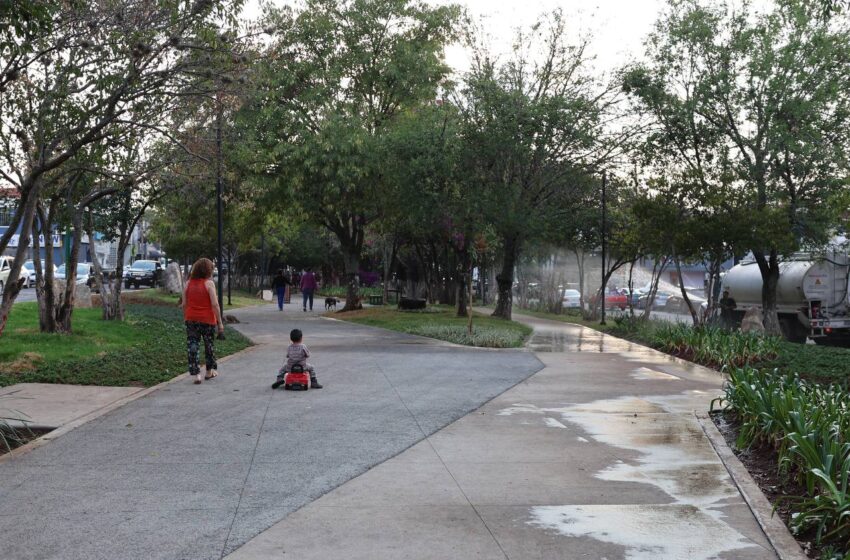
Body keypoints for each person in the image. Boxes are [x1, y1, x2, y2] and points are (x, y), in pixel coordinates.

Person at [181, 258, 224, 384]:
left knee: (192, 345)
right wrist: (220, 323)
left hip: (191, 319)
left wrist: (186, 317)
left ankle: (197, 375)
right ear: (207, 270)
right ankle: (209, 372)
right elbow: (215, 305)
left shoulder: (188, 283)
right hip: (207, 320)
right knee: (208, 345)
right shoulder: (209, 284)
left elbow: (184, 304)